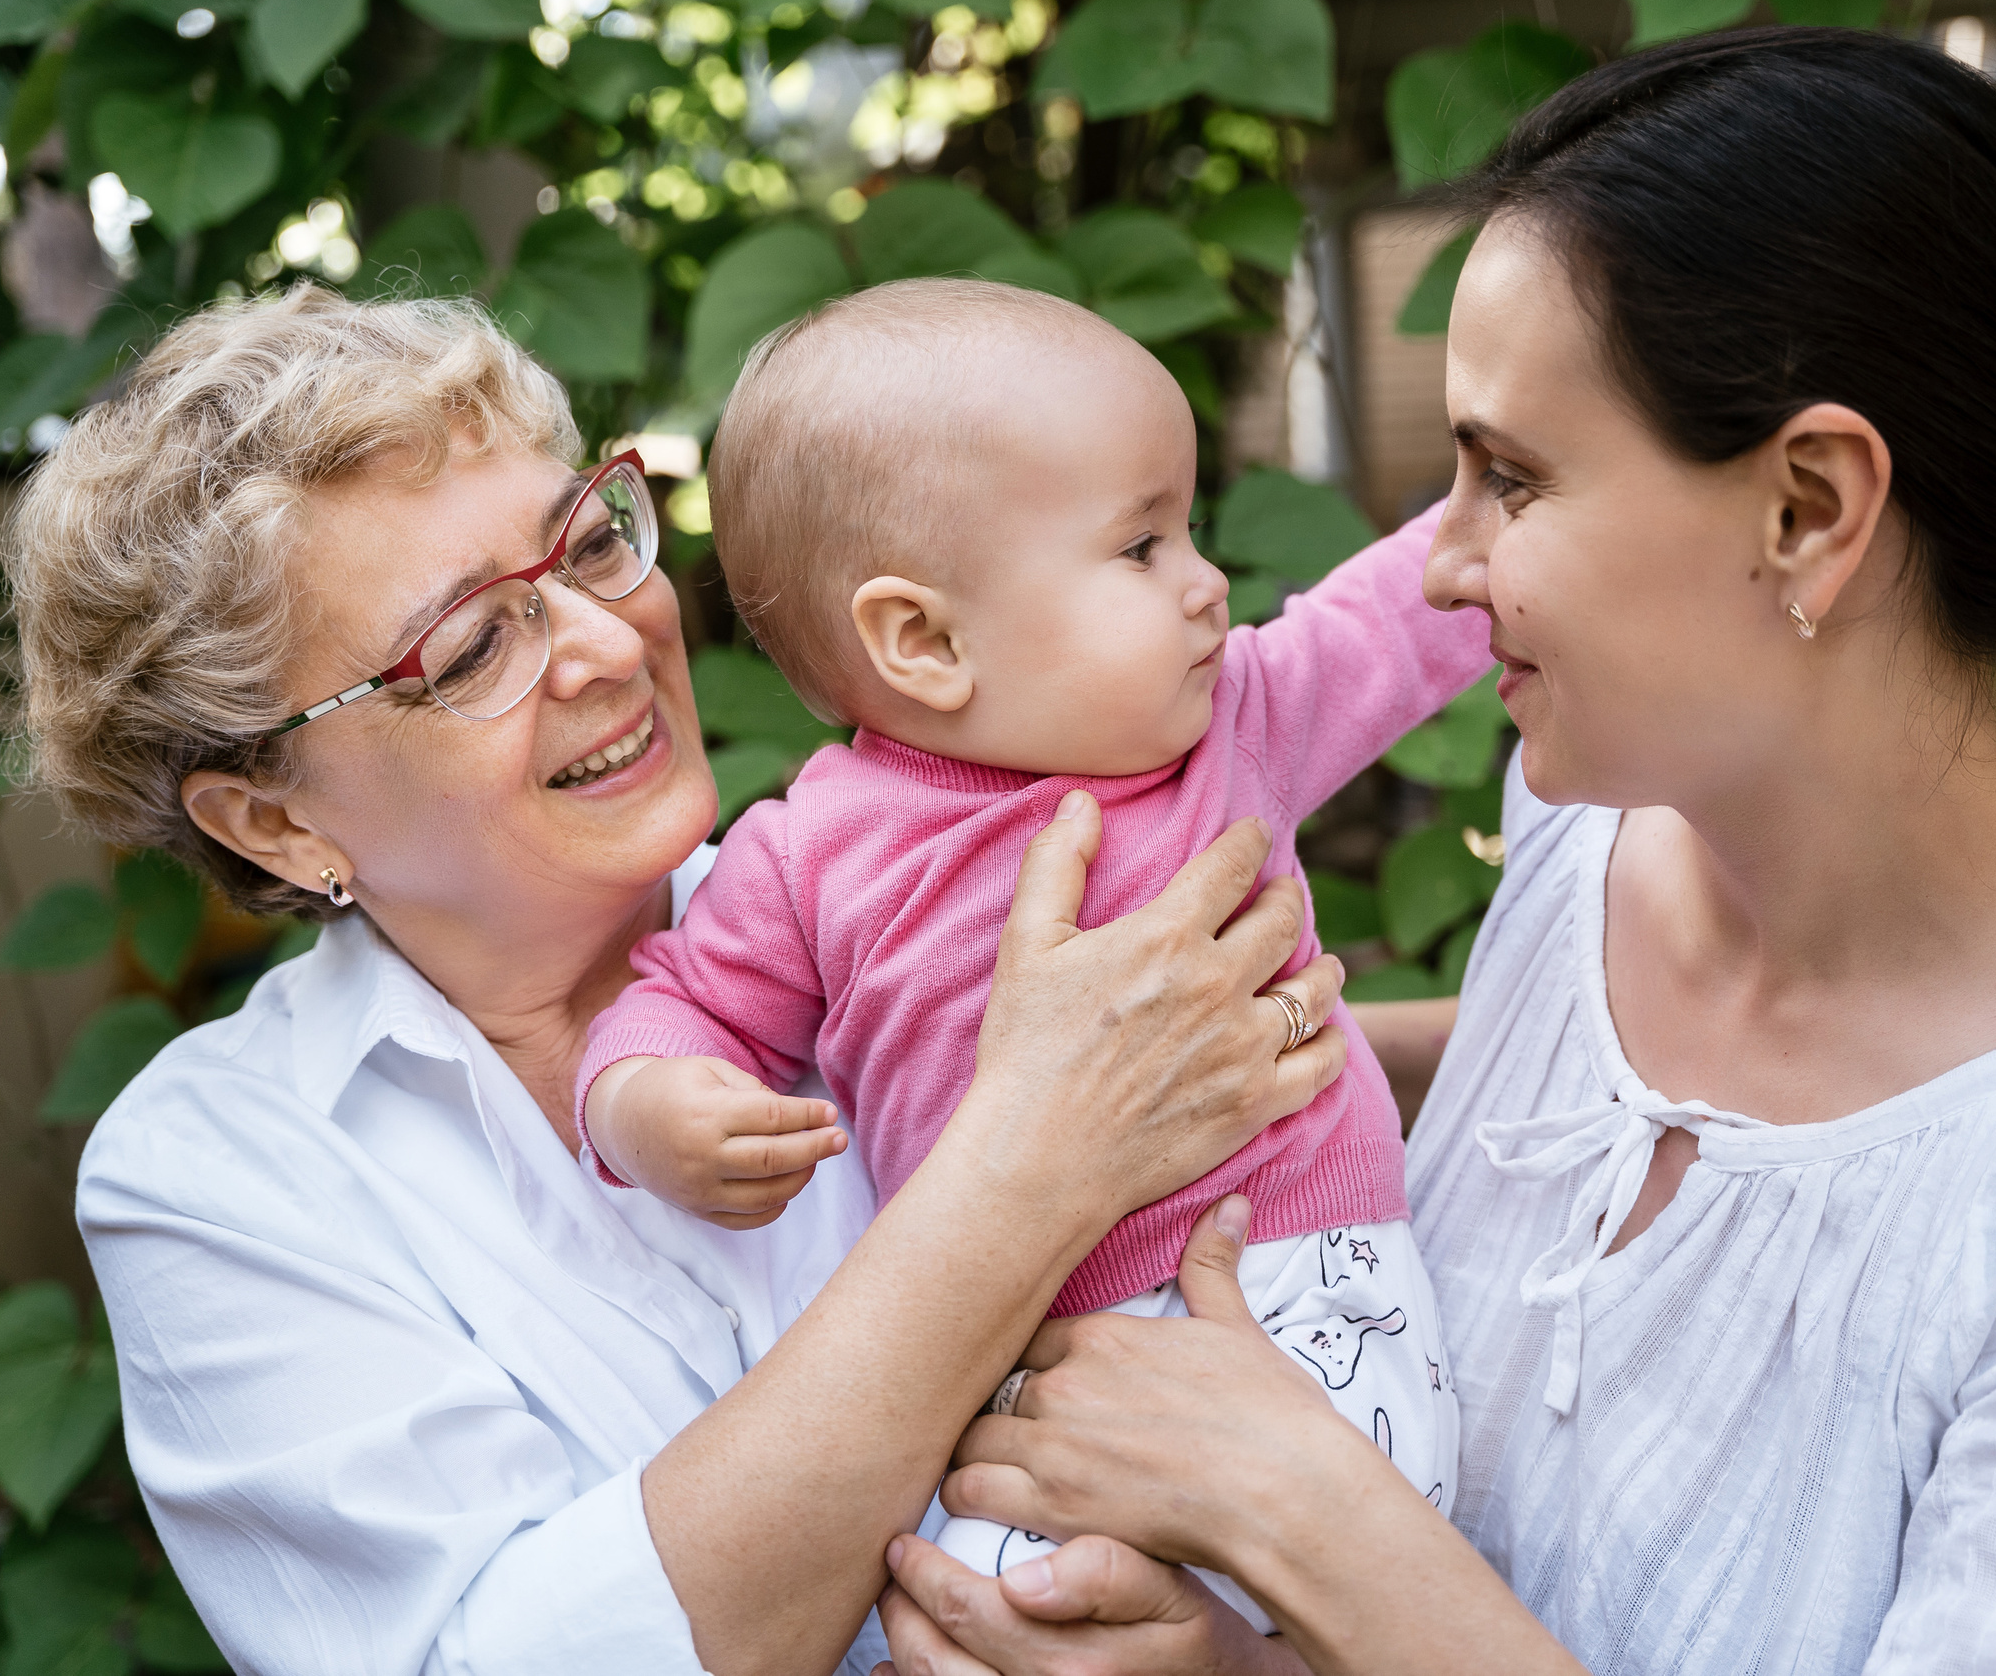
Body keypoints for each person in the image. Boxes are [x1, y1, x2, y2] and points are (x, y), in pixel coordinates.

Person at [870, 27, 1996, 1676]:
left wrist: (1305, 1518)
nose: (1437, 568)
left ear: (1808, 507)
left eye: (1509, 477)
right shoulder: (1589, 821)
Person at [12, 283, 1354, 1676]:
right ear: (279, 822)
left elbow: (1275, 1113)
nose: (607, 645)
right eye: (471, 645)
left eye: (591, 545)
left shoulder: (918, 903)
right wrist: (1025, 1172)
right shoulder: (223, 1170)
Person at [573, 279, 1491, 1615]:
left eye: (1187, 535)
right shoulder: (814, 851)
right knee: (1004, 1618)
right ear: (926, 640)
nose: (1207, 585)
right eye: (1142, 550)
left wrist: (1509, 506)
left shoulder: (1231, 730)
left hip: (1309, 1291)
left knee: (1304, 1591)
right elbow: (684, 1006)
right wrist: (656, 1109)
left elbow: (1389, 626)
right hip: (1028, 1359)